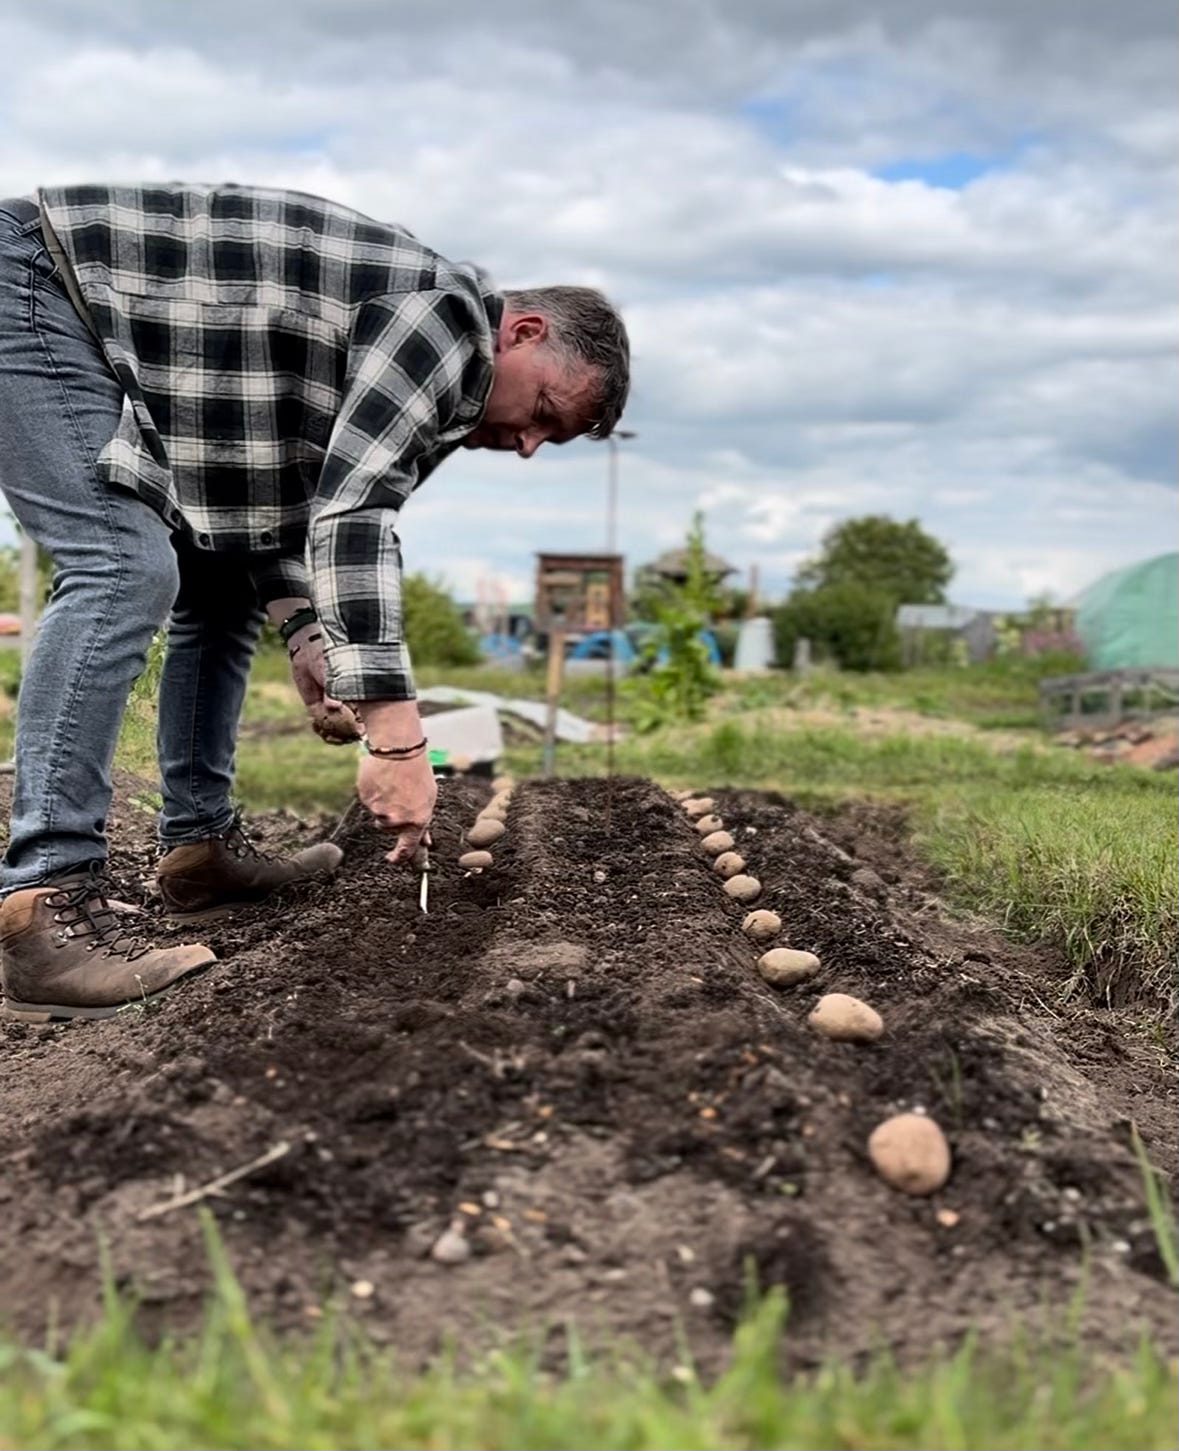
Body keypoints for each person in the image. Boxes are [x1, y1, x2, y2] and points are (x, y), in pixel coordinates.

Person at [0, 183, 630, 1021]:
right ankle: (44, 902)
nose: (523, 445)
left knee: (213, 582)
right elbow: (356, 516)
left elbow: (275, 498)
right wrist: (400, 743)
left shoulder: (438, 383)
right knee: (122, 565)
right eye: (544, 413)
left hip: (87, 320)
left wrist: (303, 628)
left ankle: (198, 846)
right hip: (33, 281)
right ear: (520, 332)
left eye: (545, 441)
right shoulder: (440, 322)